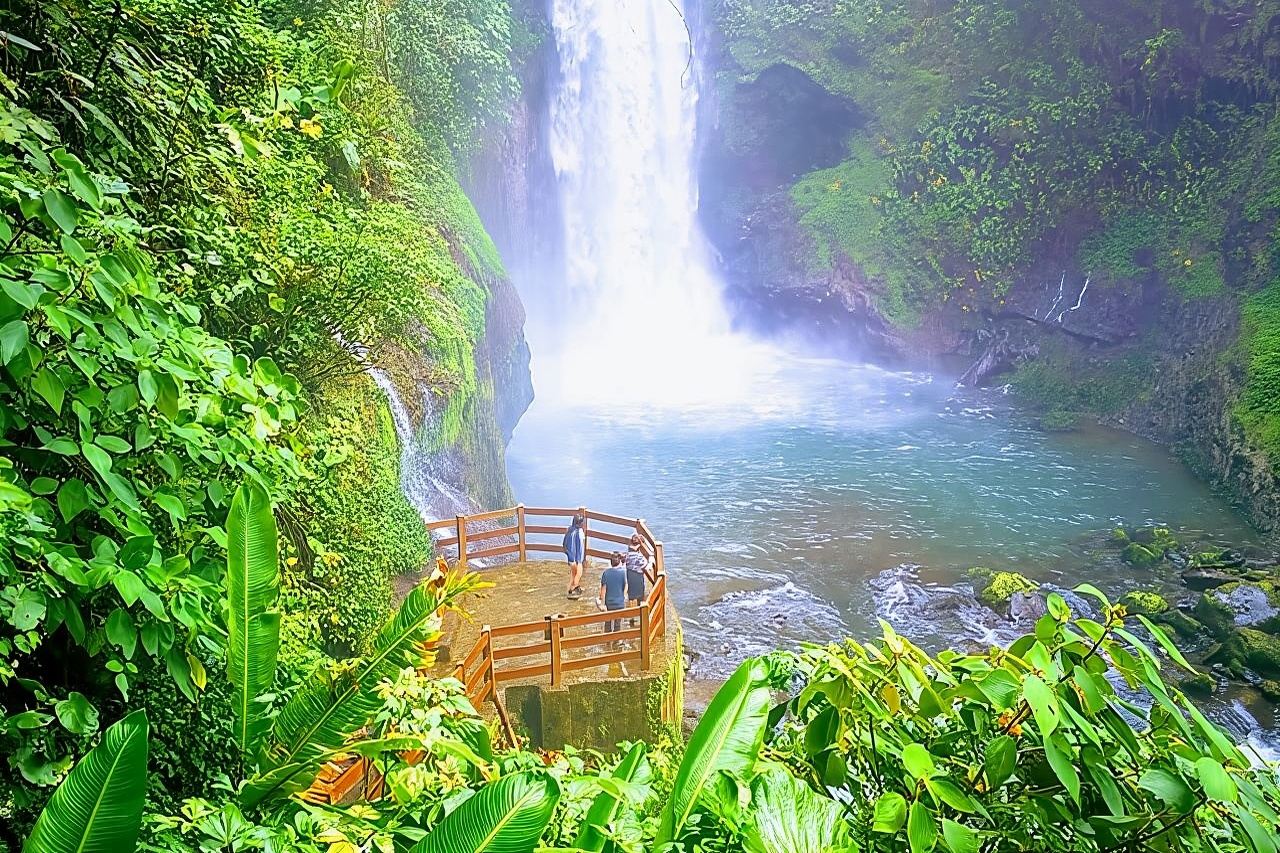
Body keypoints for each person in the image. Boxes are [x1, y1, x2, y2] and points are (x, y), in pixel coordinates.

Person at [623, 533, 651, 626]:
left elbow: (624, 562)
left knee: (631, 597)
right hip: (638, 577)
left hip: (630, 576)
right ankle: (640, 614)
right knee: (640, 596)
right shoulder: (639, 556)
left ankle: (631, 616)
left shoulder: (627, 555)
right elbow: (645, 565)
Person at [598, 551, 628, 634]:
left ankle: (607, 641)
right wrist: (623, 596)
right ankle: (616, 642)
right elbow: (626, 586)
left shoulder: (606, 573)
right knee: (618, 625)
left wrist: (602, 603)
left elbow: (603, 590)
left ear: (611, 562)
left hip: (609, 603)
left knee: (607, 623)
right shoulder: (623, 573)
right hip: (620, 603)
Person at [562, 512, 586, 599]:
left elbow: (565, 544)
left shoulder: (569, 529)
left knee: (573, 574)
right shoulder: (580, 532)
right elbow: (581, 545)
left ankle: (569, 589)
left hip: (570, 557)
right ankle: (572, 590)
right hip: (577, 558)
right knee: (578, 574)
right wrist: (579, 559)